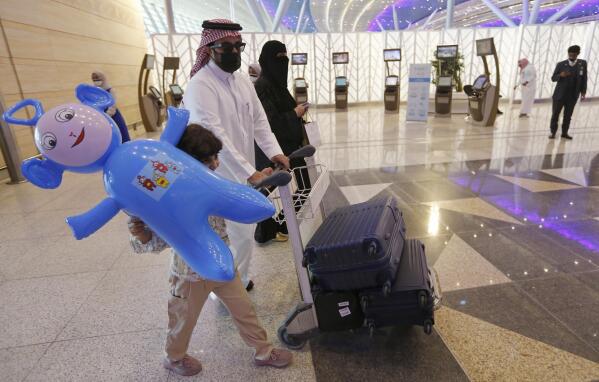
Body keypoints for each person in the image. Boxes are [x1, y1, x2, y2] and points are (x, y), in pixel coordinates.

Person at [128, 125, 292, 377]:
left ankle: (263, 350)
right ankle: (174, 358)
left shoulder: (211, 185)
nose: (215, 164)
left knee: (244, 309)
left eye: (216, 157)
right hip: (189, 275)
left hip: (222, 263)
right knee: (182, 320)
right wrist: (141, 232)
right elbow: (156, 241)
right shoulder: (169, 196)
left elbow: (234, 203)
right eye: (208, 160)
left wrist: (262, 185)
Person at [182, 19, 289, 292]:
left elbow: (259, 121)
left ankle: (237, 280)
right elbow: (216, 136)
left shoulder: (241, 80)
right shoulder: (201, 84)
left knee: (243, 231)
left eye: (237, 46)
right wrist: (249, 173)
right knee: (228, 233)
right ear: (210, 47)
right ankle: (226, 288)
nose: (233, 52)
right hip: (214, 174)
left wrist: (276, 153)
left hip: (242, 169)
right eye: (225, 46)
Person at [253, 40, 310, 244]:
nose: (283, 62)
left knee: (304, 185)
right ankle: (267, 230)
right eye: (278, 58)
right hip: (273, 150)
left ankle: (282, 224)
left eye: (285, 57)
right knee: (265, 189)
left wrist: (297, 111)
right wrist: (294, 112)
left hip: (292, 145)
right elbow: (269, 123)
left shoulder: (279, 86)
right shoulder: (261, 87)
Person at [549, 45, 587, 140]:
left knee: (568, 116)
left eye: (573, 55)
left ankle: (564, 133)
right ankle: (553, 133)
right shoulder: (561, 64)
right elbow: (553, 78)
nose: (571, 57)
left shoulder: (582, 64)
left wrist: (583, 91)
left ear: (577, 54)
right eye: (570, 54)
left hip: (573, 95)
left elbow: (584, 78)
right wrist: (560, 75)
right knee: (555, 115)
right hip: (559, 95)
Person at [91, 71, 131, 142]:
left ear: (103, 78)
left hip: (113, 116)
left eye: (98, 79)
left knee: (120, 133)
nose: (96, 81)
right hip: (102, 117)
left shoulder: (110, 90)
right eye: (94, 80)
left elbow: (113, 105)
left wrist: (107, 115)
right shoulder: (94, 91)